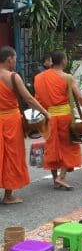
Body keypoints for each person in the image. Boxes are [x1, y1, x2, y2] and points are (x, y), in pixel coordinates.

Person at [35, 51, 82, 189]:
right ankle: (61, 177)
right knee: (70, 147)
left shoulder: (39, 78)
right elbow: (79, 97)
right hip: (64, 118)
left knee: (51, 148)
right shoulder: (67, 77)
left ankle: (55, 179)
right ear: (62, 61)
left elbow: (37, 98)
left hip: (48, 117)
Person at [0, 46, 50, 204]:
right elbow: (28, 99)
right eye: (14, 58)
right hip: (10, 121)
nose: (15, 61)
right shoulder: (13, 77)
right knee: (12, 156)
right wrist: (45, 112)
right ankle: (8, 196)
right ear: (9, 59)